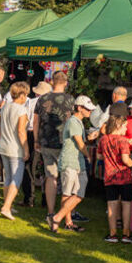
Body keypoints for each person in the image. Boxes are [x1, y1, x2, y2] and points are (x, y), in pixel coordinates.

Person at [48, 96, 95, 233]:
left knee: (75, 193)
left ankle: (59, 218)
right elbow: (79, 143)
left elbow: (79, 141)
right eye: (88, 109)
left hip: (76, 162)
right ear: (79, 108)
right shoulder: (74, 122)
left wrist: (89, 138)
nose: (90, 111)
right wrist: (88, 155)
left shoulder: (77, 122)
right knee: (70, 193)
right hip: (71, 161)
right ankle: (65, 221)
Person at [32, 71, 74, 220]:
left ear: (52, 82)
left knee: (51, 177)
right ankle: (66, 215)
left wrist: (36, 140)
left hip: (46, 142)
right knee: (66, 179)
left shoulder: (42, 99)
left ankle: (50, 212)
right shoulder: (70, 100)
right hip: (65, 144)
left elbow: (35, 122)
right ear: (66, 83)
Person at [98, 115, 132, 243]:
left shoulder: (103, 139)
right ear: (118, 126)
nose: (126, 129)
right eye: (125, 126)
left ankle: (112, 234)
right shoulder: (122, 141)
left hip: (109, 177)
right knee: (126, 204)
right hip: (124, 178)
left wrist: (109, 158)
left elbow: (99, 156)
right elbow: (125, 159)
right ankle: (126, 234)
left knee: (111, 205)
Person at [0, 81, 30, 220]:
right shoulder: (21, 109)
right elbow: (21, 131)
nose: (26, 97)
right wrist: (26, 149)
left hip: (3, 146)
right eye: (26, 94)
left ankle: (8, 205)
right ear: (21, 95)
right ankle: (6, 207)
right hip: (15, 148)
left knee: (8, 178)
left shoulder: (5, 107)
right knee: (16, 179)